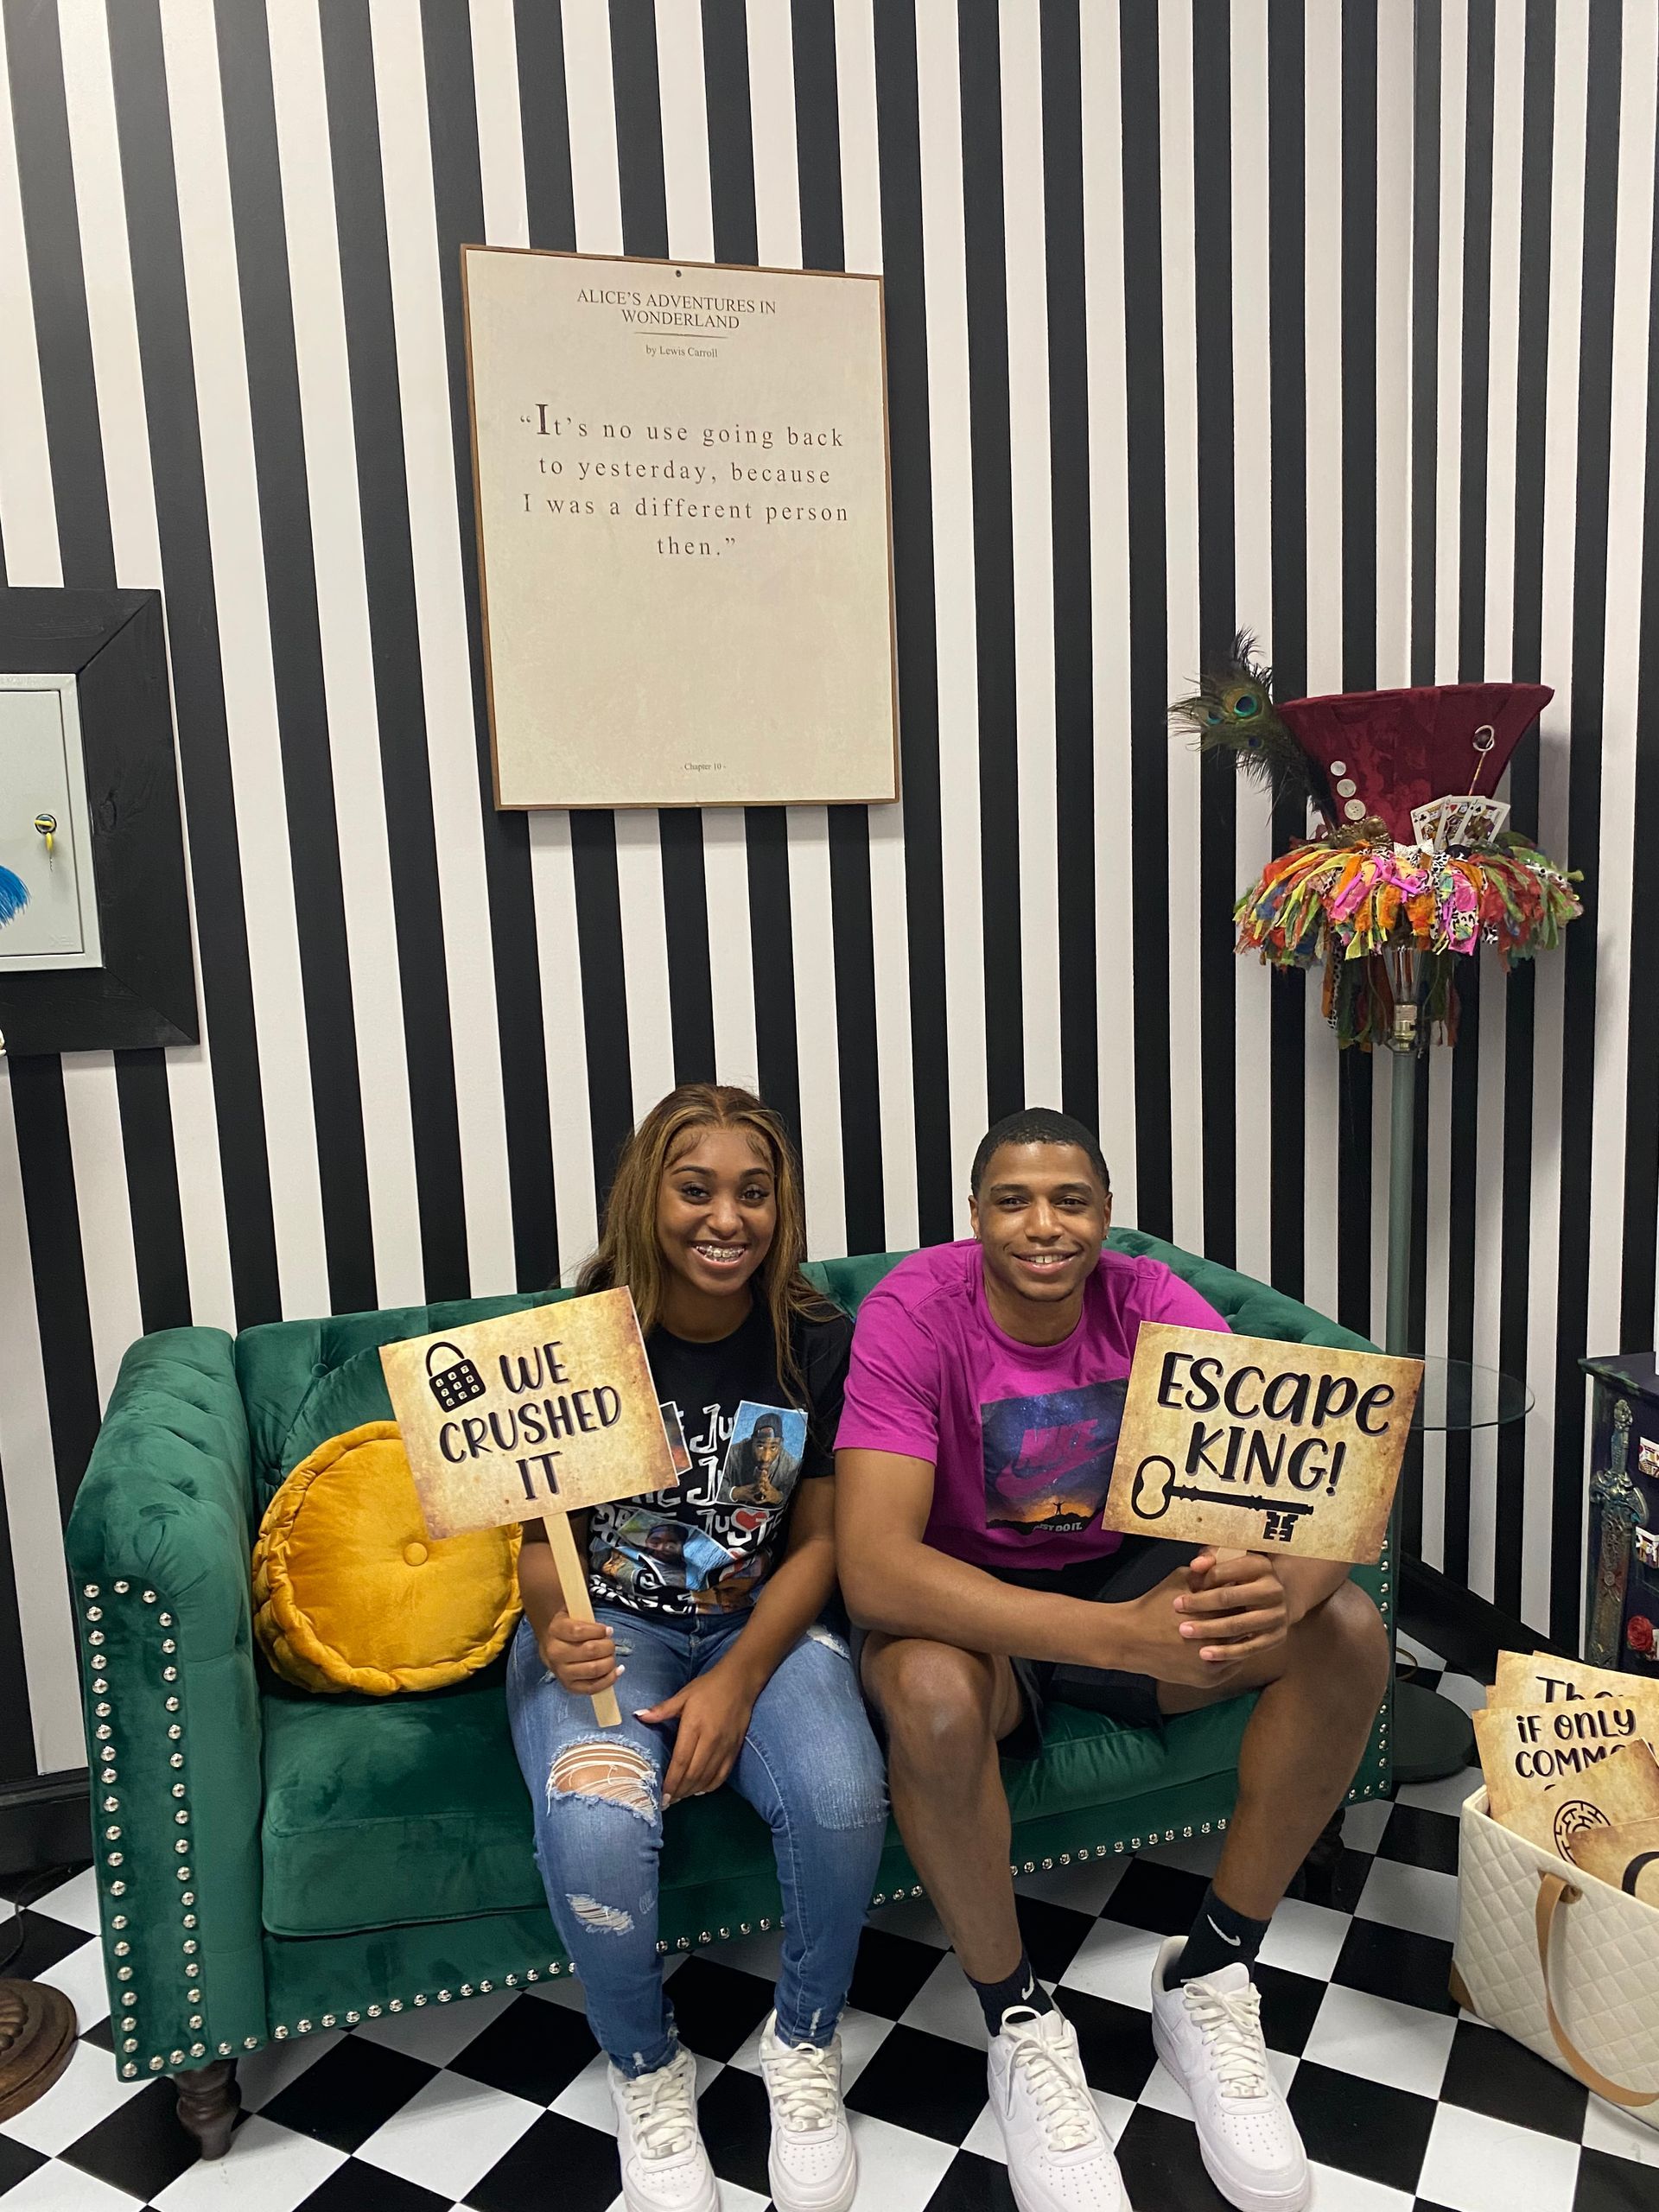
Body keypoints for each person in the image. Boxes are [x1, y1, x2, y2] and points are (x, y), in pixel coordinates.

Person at [835, 1108, 1390, 2212]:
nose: (1044, 1226)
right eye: (1013, 1201)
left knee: (1347, 1634)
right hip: (973, 1607)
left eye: (1071, 1201)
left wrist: (1283, 1591)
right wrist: (1113, 1636)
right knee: (929, 1695)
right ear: (975, 1216)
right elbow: (877, 1573)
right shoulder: (912, 1312)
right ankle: (1018, 2017)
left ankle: (1212, 1969)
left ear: (1105, 1214)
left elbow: (1320, 1492)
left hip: (1132, 1579)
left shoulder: (1152, 1301)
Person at [508, 1084, 887, 2212]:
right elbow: (537, 1544)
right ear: (649, 1197)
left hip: (763, 1621)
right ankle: (645, 2066)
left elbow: (820, 1545)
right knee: (594, 1822)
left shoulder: (815, 1340)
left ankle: (805, 2039)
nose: (727, 1218)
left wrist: (737, 1677)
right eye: (696, 1189)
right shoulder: (583, 1332)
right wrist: (554, 1627)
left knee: (842, 1797)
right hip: (609, 1626)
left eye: (754, 1192)